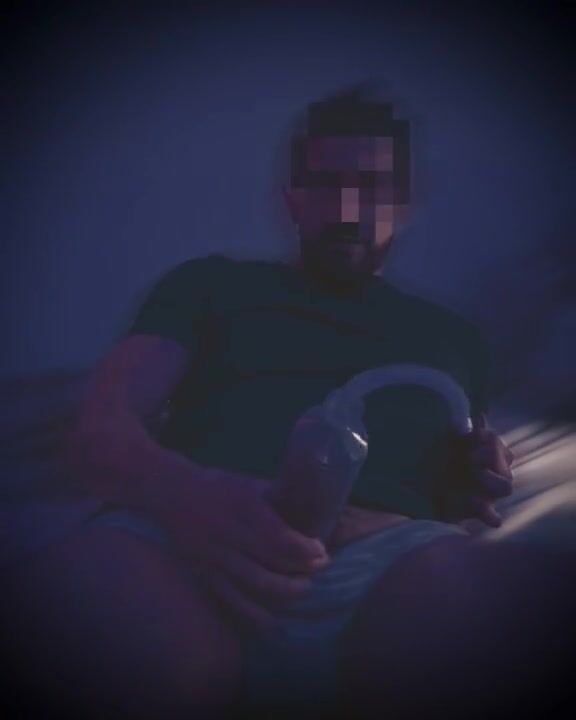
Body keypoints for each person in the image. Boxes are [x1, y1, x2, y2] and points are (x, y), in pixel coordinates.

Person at [5, 84, 527, 720]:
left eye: (371, 186)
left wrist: (478, 475)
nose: (347, 208)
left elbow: (466, 483)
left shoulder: (456, 338)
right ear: (292, 200)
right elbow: (98, 433)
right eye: (326, 184)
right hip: (180, 538)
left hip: (387, 561)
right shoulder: (211, 285)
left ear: (406, 203)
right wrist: (188, 497)